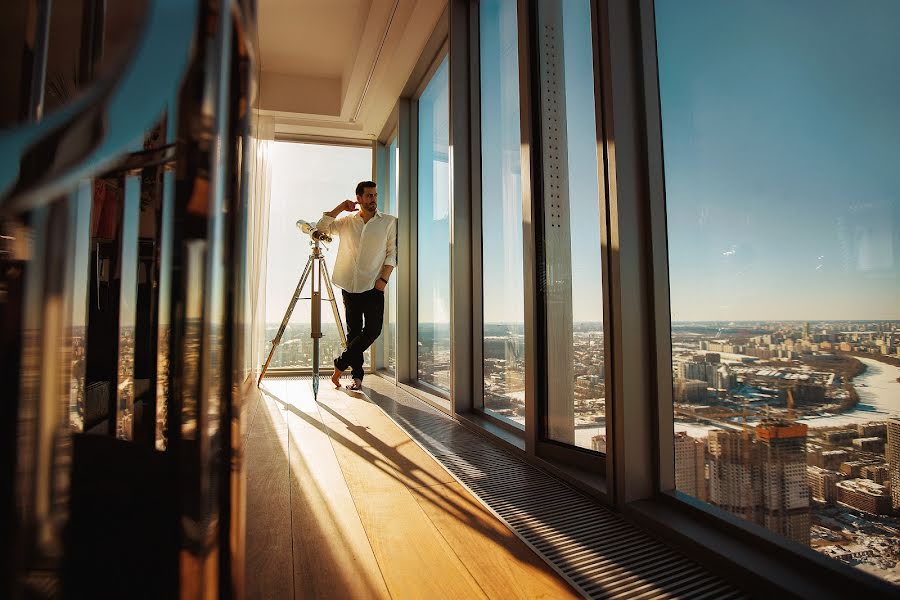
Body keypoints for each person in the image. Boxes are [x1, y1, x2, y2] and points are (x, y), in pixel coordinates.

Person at [316, 180, 397, 390]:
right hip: (349, 285)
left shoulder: (388, 222)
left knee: (373, 331)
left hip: (373, 286)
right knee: (354, 334)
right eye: (369, 196)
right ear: (359, 199)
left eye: (375, 195)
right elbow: (321, 228)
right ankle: (357, 377)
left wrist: (384, 280)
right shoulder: (346, 222)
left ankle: (340, 364)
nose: (373, 199)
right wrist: (341, 208)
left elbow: (392, 253)